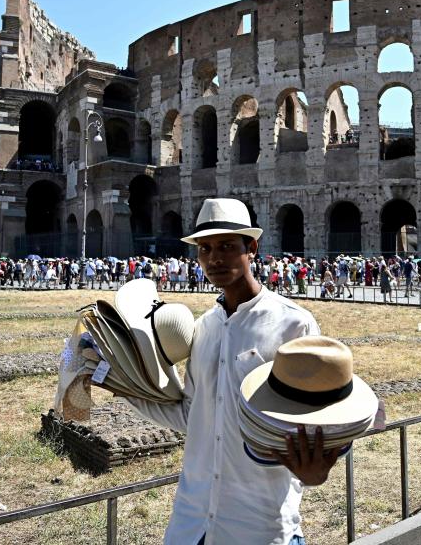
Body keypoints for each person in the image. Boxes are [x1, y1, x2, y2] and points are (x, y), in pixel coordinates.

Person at [125, 198, 334, 545]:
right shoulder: (204, 329)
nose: (214, 258)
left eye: (226, 246)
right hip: (192, 524)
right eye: (205, 249)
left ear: (251, 248)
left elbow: (321, 417)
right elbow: (192, 415)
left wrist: (319, 470)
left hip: (261, 527)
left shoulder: (293, 324)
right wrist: (121, 386)